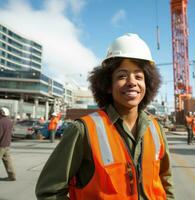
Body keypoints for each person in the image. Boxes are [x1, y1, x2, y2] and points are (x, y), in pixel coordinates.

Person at [35, 33, 175, 199]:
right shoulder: (83, 130)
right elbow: (49, 191)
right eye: (122, 76)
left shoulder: (156, 128)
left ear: (148, 84)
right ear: (108, 85)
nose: (132, 82)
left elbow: (165, 181)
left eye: (139, 76)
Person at [0, 107, 16, 181]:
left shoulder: (1, 122)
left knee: (7, 160)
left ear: (2, 113)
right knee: (7, 161)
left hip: (1, 145)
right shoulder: (10, 121)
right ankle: (12, 176)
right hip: (7, 144)